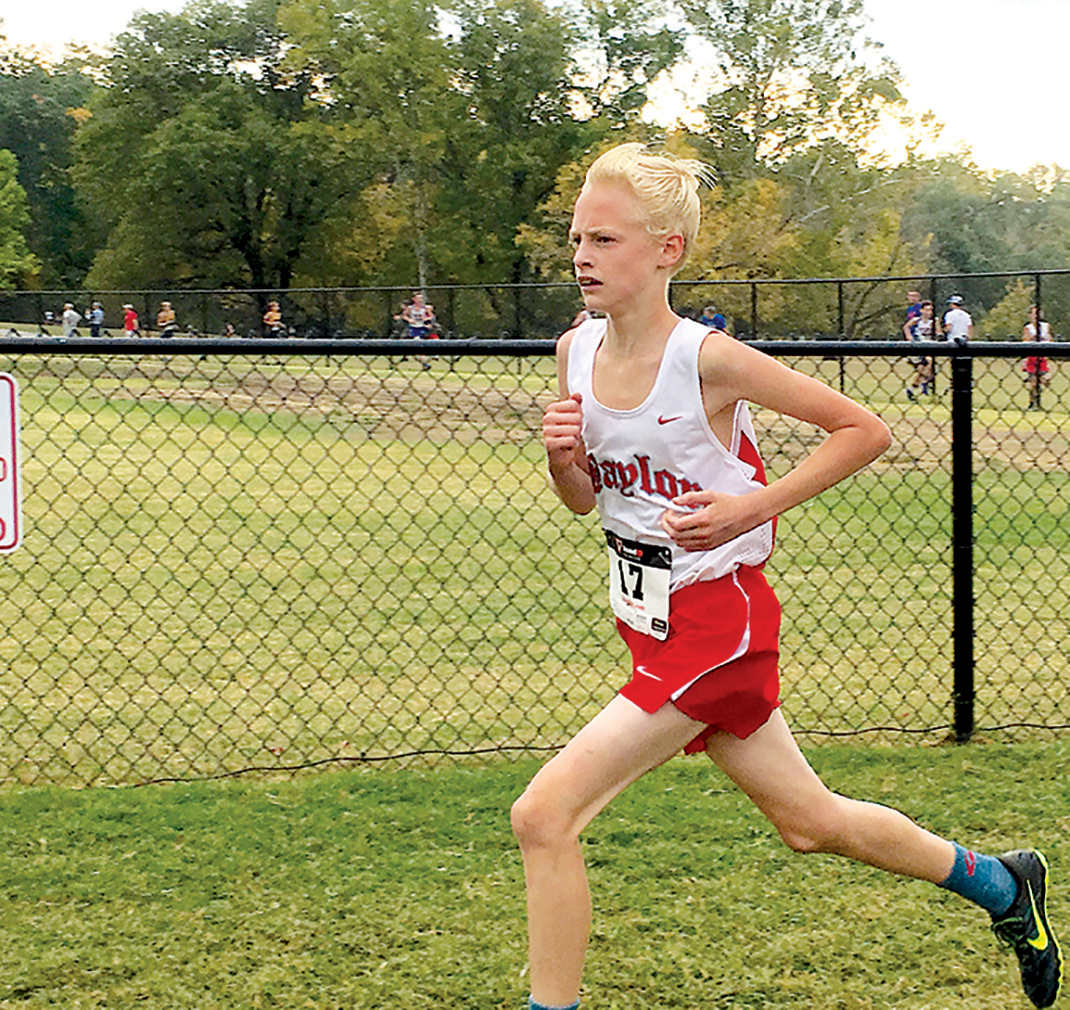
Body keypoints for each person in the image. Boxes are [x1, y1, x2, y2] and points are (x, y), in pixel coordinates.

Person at [513, 143, 1061, 1010]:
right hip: (651, 620)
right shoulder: (573, 351)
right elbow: (587, 502)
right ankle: (1002, 885)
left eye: (606, 240)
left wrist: (750, 505)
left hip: (717, 623)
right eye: (578, 237)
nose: (582, 256)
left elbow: (864, 429)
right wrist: (562, 465)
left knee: (543, 816)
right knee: (812, 825)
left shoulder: (709, 360)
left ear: (667, 251)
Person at [904, 299, 938, 400]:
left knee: (924, 370)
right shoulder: (917, 320)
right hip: (919, 348)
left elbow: (938, 332)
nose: (929, 312)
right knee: (928, 365)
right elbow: (906, 327)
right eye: (927, 310)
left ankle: (912, 388)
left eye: (931, 310)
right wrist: (909, 337)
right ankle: (924, 383)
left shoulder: (933, 322)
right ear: (922, 310)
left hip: (929, 347)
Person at [1022, 305, 1053, 410]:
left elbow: (1050, 339)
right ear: (1030, 315)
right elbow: (1025, 341)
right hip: (1032, 356)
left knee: (1046, 377)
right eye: (1034, 314)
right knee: (1033, 384)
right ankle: (1032, 403)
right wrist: (1033, 337)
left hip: (1042, 356)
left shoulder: (1045, 326)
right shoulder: (1028, 328)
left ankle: (1040, 378)